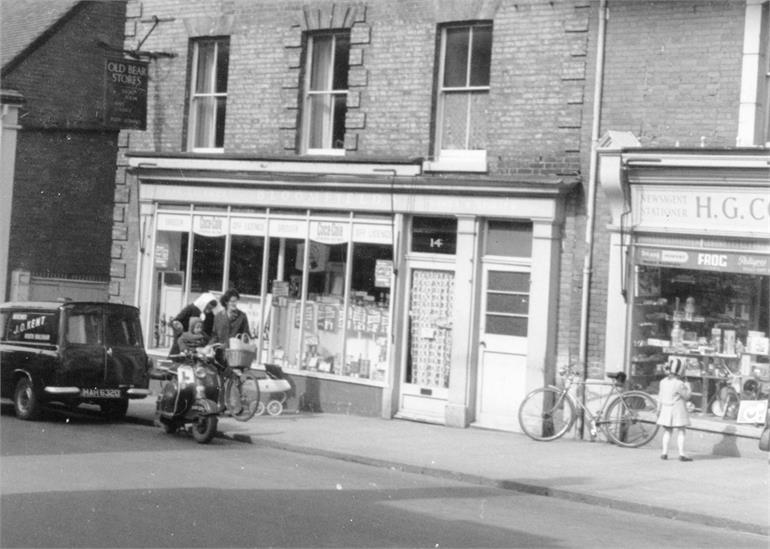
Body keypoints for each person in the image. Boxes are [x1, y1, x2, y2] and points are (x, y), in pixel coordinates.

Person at [656, 357, 693, 461]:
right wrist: (688, 386)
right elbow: (687, 396)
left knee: (667, 431)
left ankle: (664, 453)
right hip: (678, 410)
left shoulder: (663, 382)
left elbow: (660, 396)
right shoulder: (679, 384)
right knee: (681, 431)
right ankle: (681, 454)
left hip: (666, 409)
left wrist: (658, 409)